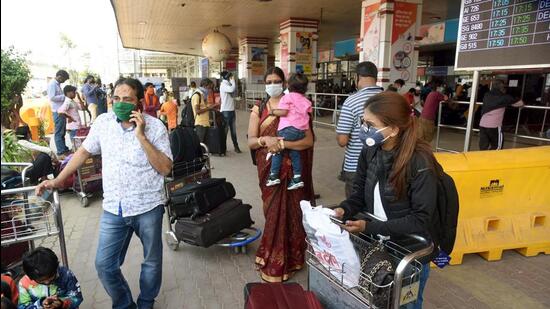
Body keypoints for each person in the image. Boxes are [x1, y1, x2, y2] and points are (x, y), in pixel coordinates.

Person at [36, 77, 173, 309]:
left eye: (127, 99)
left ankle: (146, 302)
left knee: (151, 262)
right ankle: (124, 304)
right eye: (116, 98)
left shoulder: (155, 127)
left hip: (148, 206)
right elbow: (82, 153)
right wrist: (58, 180)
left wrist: (141, 136)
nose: (120, 103)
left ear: (138, 102)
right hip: (114, 208)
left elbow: (166, 168)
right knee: (104, 265)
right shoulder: (103, 123)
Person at [332, 92, 441, 309]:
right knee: (378, 300)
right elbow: (358, 194)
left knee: (405, 304)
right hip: (379, 245)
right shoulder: (370, 150)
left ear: (393, 129)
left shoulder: (420, 161)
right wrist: (344, 209)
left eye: (370, 124)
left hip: (408, 252)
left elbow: (420, 219)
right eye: (363, 122)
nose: (363, 128)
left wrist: (369, 226)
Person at [247, 67, 315, 282]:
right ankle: (271, 257)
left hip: (293, 171)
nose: (272, 84)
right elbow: (250, 140)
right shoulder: (259, 108)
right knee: (274, 212)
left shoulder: (296, 105)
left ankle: (293, 259)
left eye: (277, 80)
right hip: (269, 169)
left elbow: (308, 141)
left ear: (284, 83)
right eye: (269, 81)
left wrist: (283, 143)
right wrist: (265, 141)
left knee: (293, 214)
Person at [336, 61, 383, 198]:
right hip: (386, 164)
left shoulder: (351, 101)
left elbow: (342, 140)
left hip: (356, 166)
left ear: (358, 77)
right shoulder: (390, 99)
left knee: (354, 207)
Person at [267, 73, 312, 190]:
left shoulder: (287, 97)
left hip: (287, 130)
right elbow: (308, 112)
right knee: (295, 153)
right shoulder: (306, 100)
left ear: (288, 85)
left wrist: (272, 112)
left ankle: (273, 176)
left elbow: (284, 112)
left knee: (277, 150)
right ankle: (297, 178)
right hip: (301, 131)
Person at [18, 247, 83, 309]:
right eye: (41, 281)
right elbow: (23, 306)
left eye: (51, 277)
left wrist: (62, 303)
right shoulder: (24, 284)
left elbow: (77, 297)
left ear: (56, 268)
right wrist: (40, 304)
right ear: (30, 277)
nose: (47, 282)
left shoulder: (66, 274)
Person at [479, 79, 524, 150]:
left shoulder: (487, 95)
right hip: (494, 126)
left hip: (482, 124)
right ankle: (493, 160)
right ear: (502, 87)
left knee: (483, 146)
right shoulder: (505, 97)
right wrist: (509, 103)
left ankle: (483, 160)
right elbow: (520, 103)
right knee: (497, 147)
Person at [48, 70, 70, 157]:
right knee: (59, 132)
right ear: (60, 76)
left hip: (61, 111)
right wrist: (64, 97)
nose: (64, 81)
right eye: (64, 79)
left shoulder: (57, 84)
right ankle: (61, 151)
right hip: (57, 111)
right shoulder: (52, 84)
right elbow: (52, 97)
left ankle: (63, 148)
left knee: (62, 131)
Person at [219, 71, 242, 153]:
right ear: (228, 77)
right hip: (226, 111)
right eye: (231, 77)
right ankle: (223, 148)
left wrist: (235, 99)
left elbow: (229, 96)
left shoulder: (227, 84)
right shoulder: (223, 85)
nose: (232, 78)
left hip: (231, 110)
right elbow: (232, 89)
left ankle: (236, 147)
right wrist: (233, 81)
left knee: (233, 131)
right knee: (225, 131)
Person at [192, 78, 217, 143]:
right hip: (200, 123)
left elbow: (204, 107)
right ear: (204, 86)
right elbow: (197, 111)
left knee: (205, 143)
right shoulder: (197, 95)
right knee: (200, 143)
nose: (210, 90)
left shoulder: (203, 96)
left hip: (205, 123)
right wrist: (209, 108)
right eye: (209, 88)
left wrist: (213, 107)